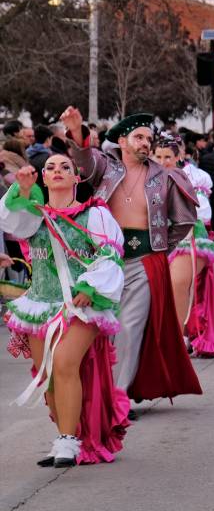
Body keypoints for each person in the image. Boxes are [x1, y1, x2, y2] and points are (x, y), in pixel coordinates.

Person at [60, 107, 203, 405]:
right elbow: (84, 161)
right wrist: (75, 131)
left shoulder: (164, 176)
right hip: (103, 261)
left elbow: (185, 219)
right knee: (99, 326)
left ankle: (118, 397)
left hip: (144, 261)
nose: (145, 143)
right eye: (138, 137)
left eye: (148, 138)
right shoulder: (106, 167)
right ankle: (98, 390)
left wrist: (160, 245)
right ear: (122, 141)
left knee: (130, 327)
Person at [0, 159, 127, 466]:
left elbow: (110, 253)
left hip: (81, 305)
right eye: (50, 167)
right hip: (40, 304)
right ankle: (63, 438)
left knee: (64, 363)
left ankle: (69, 441)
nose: (57, 170)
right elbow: (11, 220)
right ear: (43, 178)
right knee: (47, 375)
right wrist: (23, 189)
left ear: (76, 177)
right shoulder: (34, 215)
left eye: (65, 167)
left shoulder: (94, 214)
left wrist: (91, 288)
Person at [156, 134, 214, 358]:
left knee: (178, 284)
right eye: (158, 156)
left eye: (167, 156)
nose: (163, 161)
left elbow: (202, 212)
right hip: (159, 241)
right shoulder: (148, 177)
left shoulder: (192, 177)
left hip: (189, 237)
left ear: (179, 156)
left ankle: (176, 340)